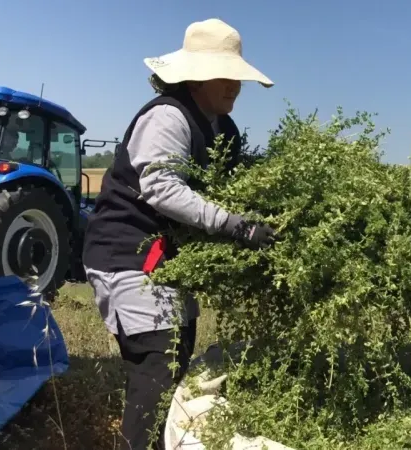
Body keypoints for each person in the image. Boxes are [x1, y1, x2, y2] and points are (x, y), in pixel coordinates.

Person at [82, 18, 277, 450]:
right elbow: (162, 188)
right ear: (196, 76)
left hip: (169, 263)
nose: (234, 87)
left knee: (180, 346)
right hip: (129, 257)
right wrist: (237, 225)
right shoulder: (168, 117)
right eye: (224, 76)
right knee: (158, 361)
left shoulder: (222, 129)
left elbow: (229, 188)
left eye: (237, 77)